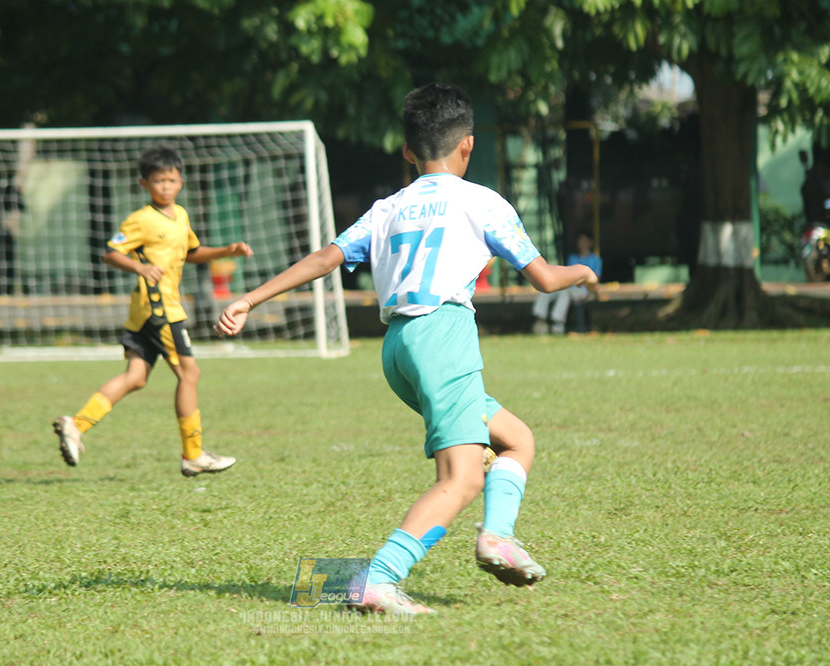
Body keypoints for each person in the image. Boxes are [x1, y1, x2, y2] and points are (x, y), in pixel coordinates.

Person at [215, 83, 599, 614]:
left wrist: (250, 299)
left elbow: (326, 259)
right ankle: (380, 576)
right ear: (468, 145)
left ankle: (499, 538)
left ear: (407, 151)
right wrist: (583, 271)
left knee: (516, 439)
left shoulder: (387, 207)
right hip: (442, 334)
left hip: (398, 349)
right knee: (460, 478)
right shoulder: (482, 201)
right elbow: (544, 279)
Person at [54, 144, 253, 477]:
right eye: (158, 181)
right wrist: (140, 269)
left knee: (135, 378)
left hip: (147, 311)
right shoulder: (141, 220)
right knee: (190, 374)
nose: (166, 186)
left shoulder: (182, 216)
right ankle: (193, 455)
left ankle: (75, 425)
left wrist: (226, 250)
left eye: (171, 180)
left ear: (181, 181)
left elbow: (192, 251)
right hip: (159, 309)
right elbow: (111, 253)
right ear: (144, 184)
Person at [531, 228, 602, 334]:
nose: (581, 244)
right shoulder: (572, 258)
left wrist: (592, 293)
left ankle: (557, 323)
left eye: (584, 241)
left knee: (564, 293)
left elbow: (596, 280)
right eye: (580, 241)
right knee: (545, 290)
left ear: (590, 243)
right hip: (570, 287)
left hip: (583, 290)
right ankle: (540, 318)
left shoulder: (596, 260)